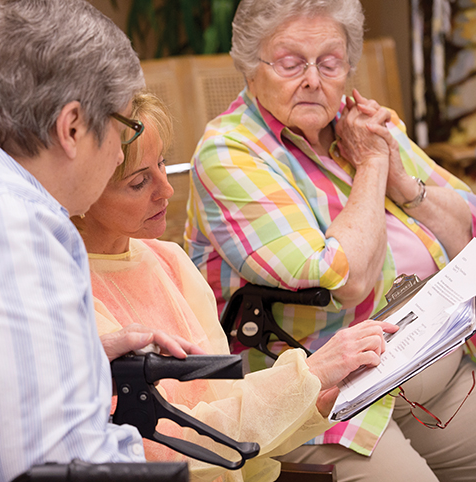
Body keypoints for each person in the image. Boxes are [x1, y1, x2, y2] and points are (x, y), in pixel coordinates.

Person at [0, 2, 201, 481]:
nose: (118, 155)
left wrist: (73, 360)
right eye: (125, 127)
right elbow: (66, 464)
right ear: (71, 127)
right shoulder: (6, 220)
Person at [185, 0, 476, 481]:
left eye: (330, 62)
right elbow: (344, 278)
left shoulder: (361, 123)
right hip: (329, 400)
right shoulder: (230, 153)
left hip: (434, 369)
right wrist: (373, 166)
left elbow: (467, 225)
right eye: (290, 62)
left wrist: (404, 186)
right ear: (250, 67)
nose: (313, 80)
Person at [74, 91, 399, 482]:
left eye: (162, 165)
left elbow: (227, 415)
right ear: (81, 193)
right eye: (140, 182)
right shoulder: (67, 296)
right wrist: (308, 373)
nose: (167, 189)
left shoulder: (169, 260)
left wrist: (314, 399)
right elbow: (163, 449)